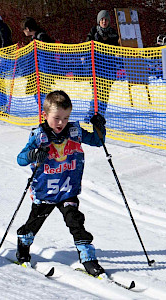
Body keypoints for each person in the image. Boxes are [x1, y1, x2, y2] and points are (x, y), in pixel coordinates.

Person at [16, 90, 107, 277]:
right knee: (34, 223)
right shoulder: (38, 136)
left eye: (65, 118)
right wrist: (33, 154)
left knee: (76, 222)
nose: (61, 123)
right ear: (45, 115)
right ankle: (23, 246)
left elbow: (98, 141)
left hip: (67, 188)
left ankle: (88, 259)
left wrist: (99, 127)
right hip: (45, 191)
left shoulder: (75, 132)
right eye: (56, 118)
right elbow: (20, 159)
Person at [85, 10, 120, 122]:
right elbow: (86, 47)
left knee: (105, 94)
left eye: (106, 20)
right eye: (102, 20)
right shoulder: (93, 32)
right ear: (98, 21)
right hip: (96, 69)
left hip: (109, 68)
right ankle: (91, 115)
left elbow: (117, 48)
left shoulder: (114, 34)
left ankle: (100, 116)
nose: (104, 22)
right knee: (96, 93)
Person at [22, 17, 55, 106]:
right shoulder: (34, 38)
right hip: (37, 71)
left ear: (28, 28)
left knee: (43, 93)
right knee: (37, 93)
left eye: (24, 29)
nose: (23, 31)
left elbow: (49, 51)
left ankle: (46, 112)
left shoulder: (42, 36)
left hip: (44, 70)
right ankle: (44, 112)